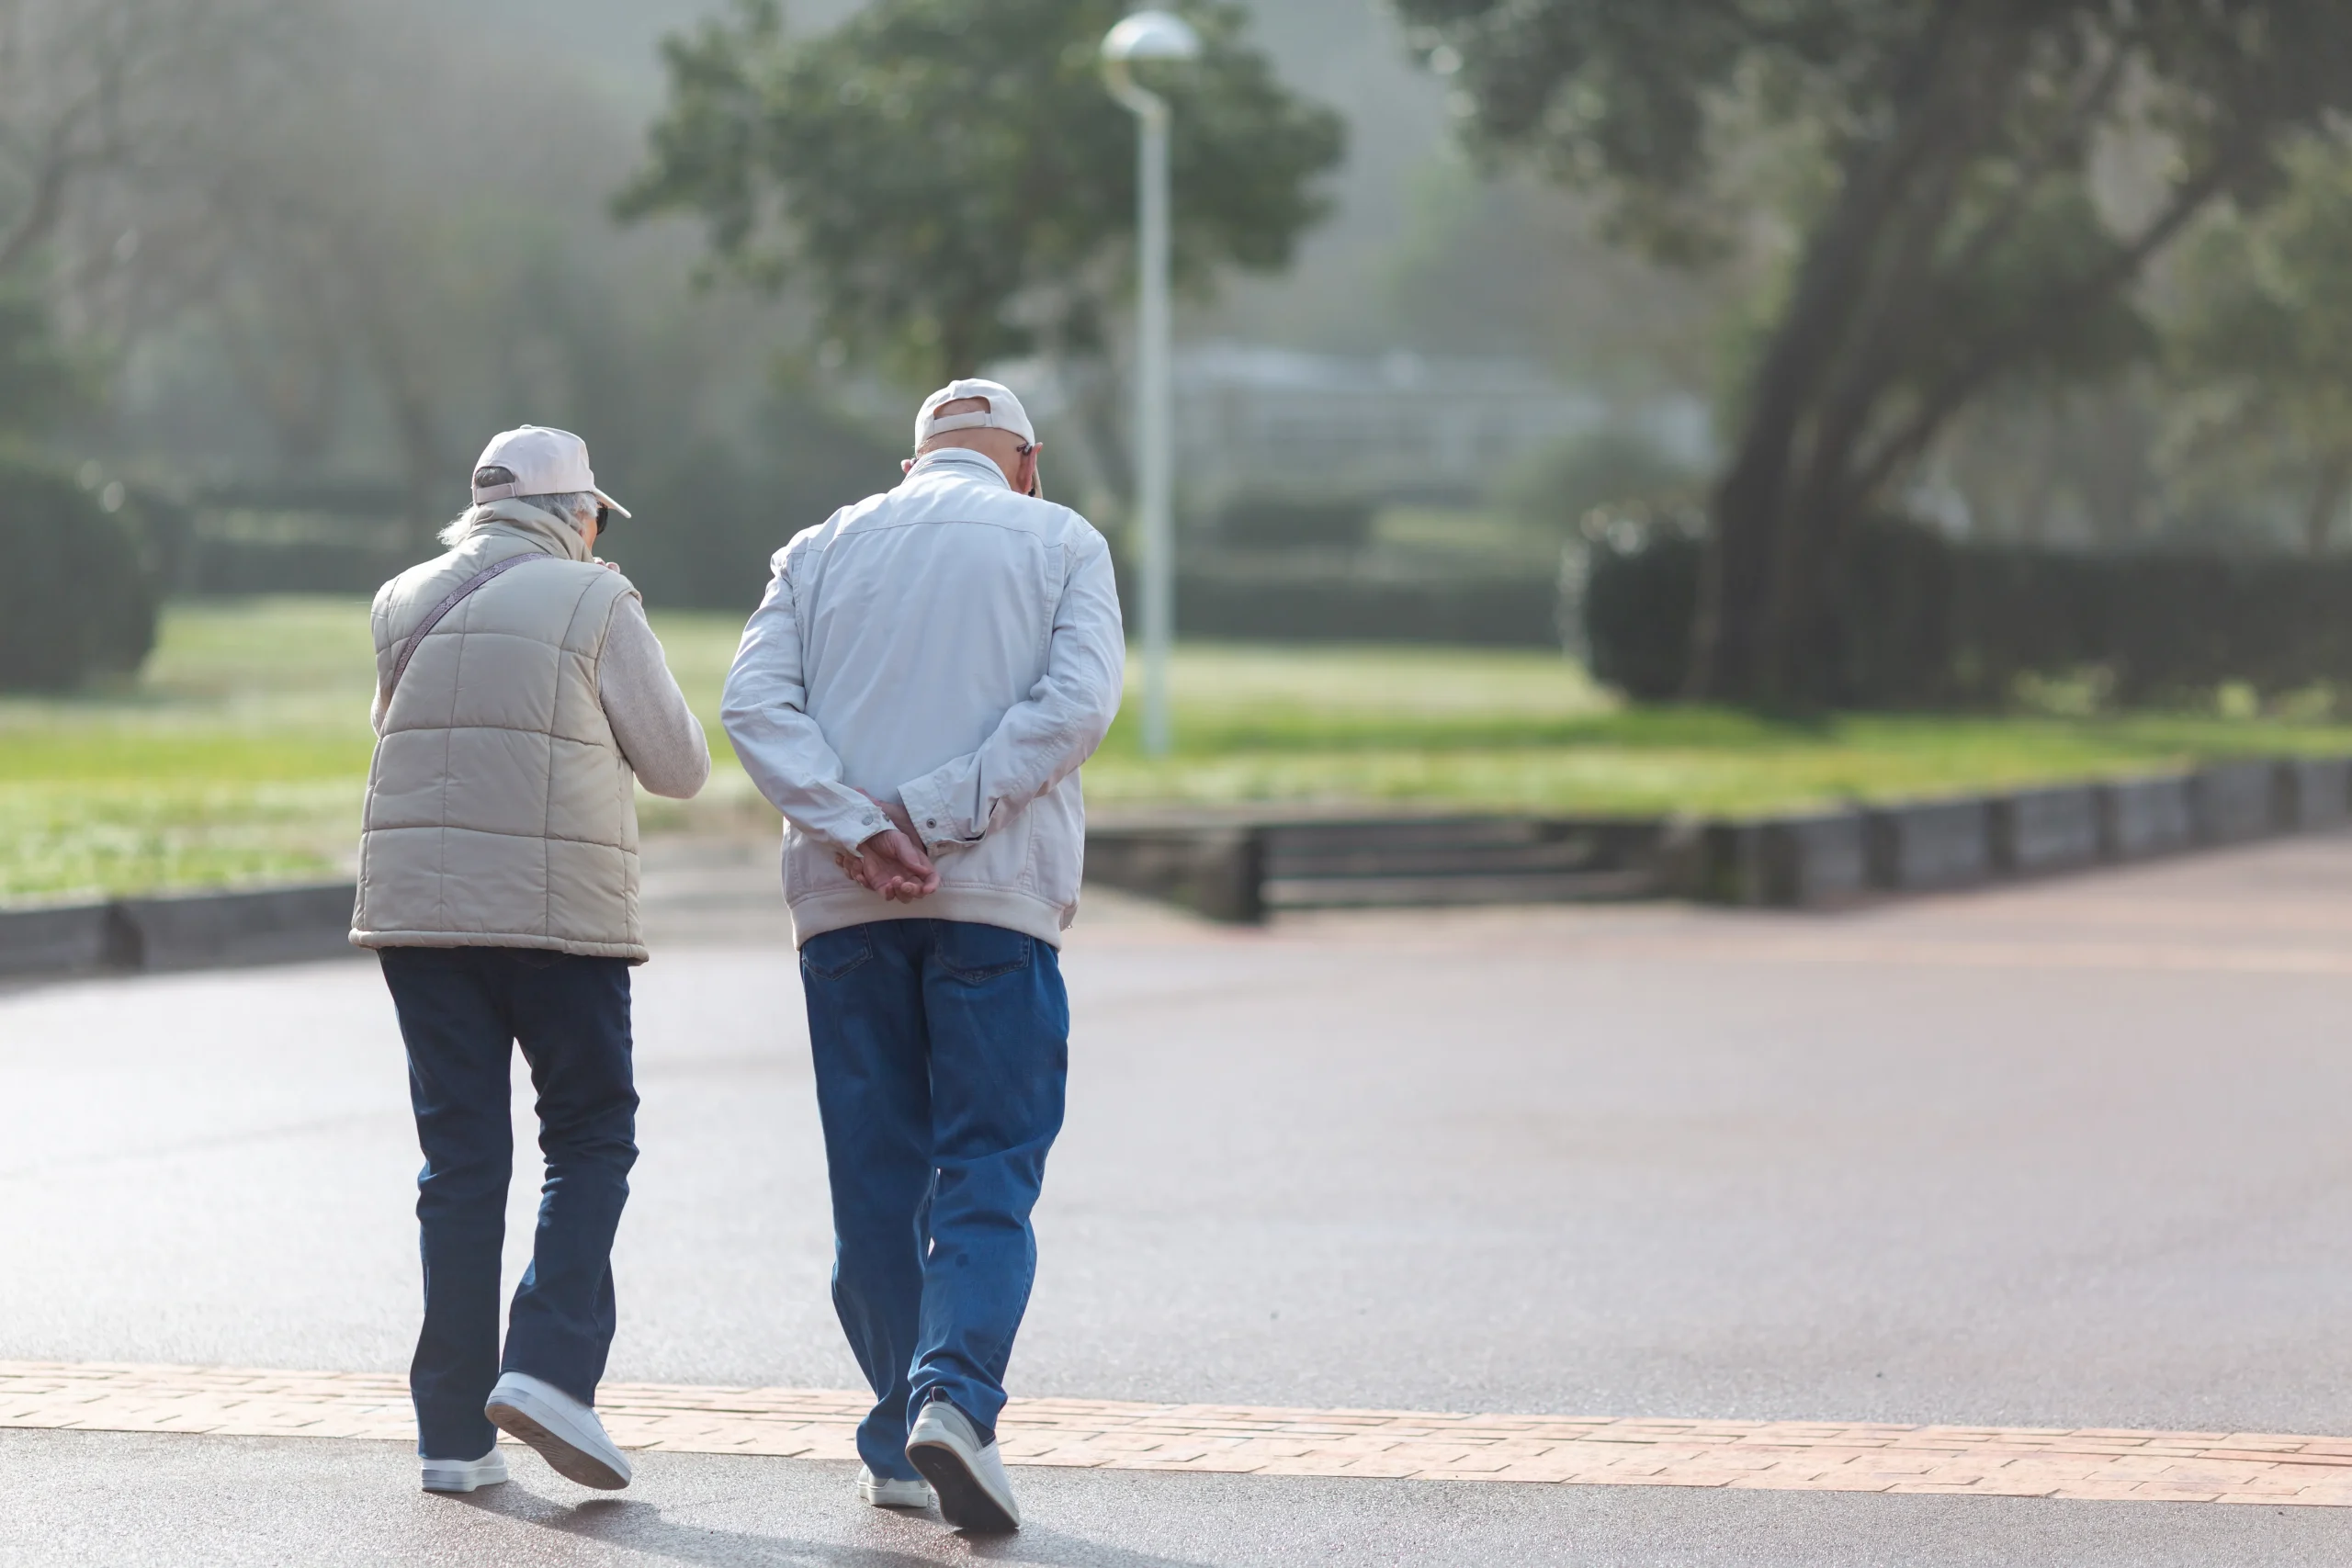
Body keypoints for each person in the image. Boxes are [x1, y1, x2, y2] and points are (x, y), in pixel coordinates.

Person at [721, 378, 1125, 1533]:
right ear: (1027, 463)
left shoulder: (816, 548)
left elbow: (755, 706)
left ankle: (897, 1433)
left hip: (843, 910)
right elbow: (1077, 703)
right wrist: (941, 811)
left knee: (875, 1177)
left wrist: (858, 826)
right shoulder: (1062, 540)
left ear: (910, 467)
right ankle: (953, 1397)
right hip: (994, 897)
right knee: (988, 1162)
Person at [352, 425, 710, 1495]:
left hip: (419, 922)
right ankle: (550, 1368)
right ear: (576, 512)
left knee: (460, 1164)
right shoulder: (598, 600)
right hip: (558, 922)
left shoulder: (399, 598)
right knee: (591, 1135)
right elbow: (681, 766)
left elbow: (401, 728)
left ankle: (452, 1439)